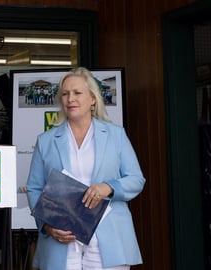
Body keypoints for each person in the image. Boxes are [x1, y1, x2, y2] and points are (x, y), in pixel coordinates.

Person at [26, 67, 145, 270]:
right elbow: (34, 188)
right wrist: (47, 225)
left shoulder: (116, 135)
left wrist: (108, 187)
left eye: (77, 93)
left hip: (109, 237)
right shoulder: (45, 141)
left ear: (92, 98)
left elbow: (136, 179)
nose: (70, 98)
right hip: (62, 238)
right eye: (65, 94)